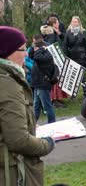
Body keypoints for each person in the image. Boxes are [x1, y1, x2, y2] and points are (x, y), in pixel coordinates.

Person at [0, 26, 55, 185]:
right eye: (22, 49)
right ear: (7, 52)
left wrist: (29, 123)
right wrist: (47, 143)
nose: (26, 54)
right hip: (11, 173)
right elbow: (18, 140)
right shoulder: (8, 84)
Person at [30, 40, 56, 123]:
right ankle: (33, 124)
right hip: (38, 84)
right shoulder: (40, 53)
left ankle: (52, 124)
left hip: (43, 84)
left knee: (47, 106)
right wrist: (32, 46)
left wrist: (41, 49)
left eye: (35, 48)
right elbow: (31, 55)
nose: (34, 50)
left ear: (40, 48)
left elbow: (36, 56)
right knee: (36, 106)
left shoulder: (46, 55)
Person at [62, 16, 86, 81]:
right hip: (72, 57)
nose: (74, 23)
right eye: (73, 22)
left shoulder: (83, 32)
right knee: (72, 77)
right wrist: (65, 56)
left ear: (79, 23)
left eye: (75, 22)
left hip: (81, 57)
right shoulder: (68, 33)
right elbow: (65, 45)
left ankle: (85, 90)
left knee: (83, 76)